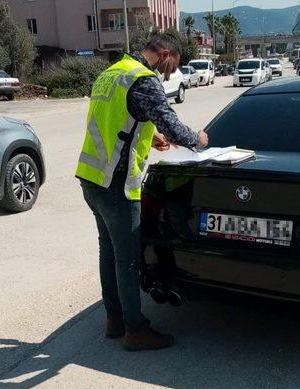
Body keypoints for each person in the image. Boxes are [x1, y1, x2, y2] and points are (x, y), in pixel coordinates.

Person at [75, 34, 209, 351]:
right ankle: (135, 330)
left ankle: (115, 320)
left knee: (108, 252)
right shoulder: (143, 79)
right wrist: (198, 139)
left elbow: (119, 120)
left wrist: (152, 138)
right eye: (172, 65)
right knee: (127, 260)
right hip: (116, 186)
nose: (169, 74)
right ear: (164, 53)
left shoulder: (112, 73)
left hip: (91, 178)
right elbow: (174, 126)